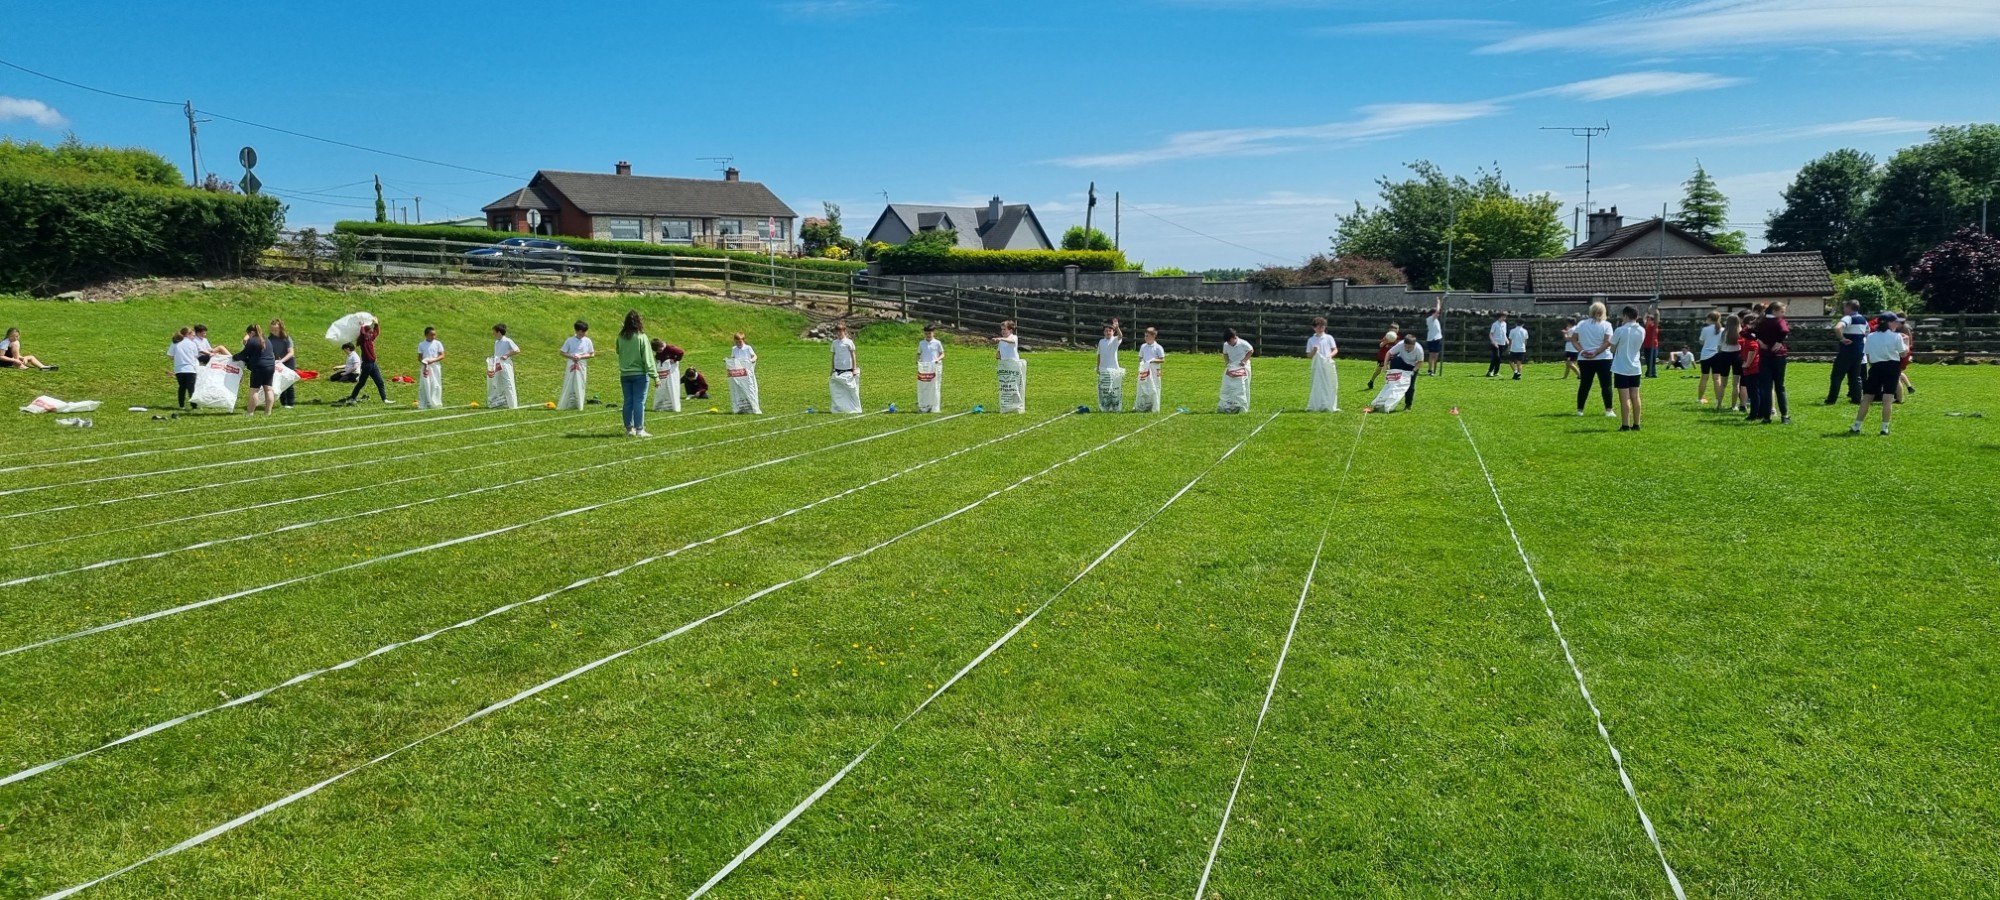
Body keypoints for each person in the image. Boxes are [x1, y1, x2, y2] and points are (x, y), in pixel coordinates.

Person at [1853, 313, 1904, 435]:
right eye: (1895, 322)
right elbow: (1902, 354)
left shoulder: (1871, 336)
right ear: (1888, 323)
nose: (1897, 324)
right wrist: (1906, 348)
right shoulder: (1896, 336)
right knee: (1888, 398)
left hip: (1876, 367)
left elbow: (1868, 355)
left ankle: (1856, 426)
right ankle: (1884, 428)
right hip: (1892, 367)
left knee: (1867, 397)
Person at [1570, 301, 1615, 418]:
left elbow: (1573, 339)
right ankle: (1609, 410)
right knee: (1606, 385)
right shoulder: (1607, 325)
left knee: (1584, 384)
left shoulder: (1581, 324)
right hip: (1603, 358)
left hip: (1585, 359)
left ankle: (1580, 410)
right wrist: (1596, 352)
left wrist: (1582, 351)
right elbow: (1607, 342)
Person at [1749, 302, 1791, 423]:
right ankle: (1784, 416)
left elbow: (1747, 331)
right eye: (1782, 311)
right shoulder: (1779, 321)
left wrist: (1758, 340)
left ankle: (1766, 417)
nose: (1783, 314)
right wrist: (1779, 341)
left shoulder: (1761, 321)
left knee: (1766, 388)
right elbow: (1784, 330)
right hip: (1778, 356)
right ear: (1774, 311)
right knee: (1780, 387)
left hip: (1764, 356)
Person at [616, 310, 656, 436]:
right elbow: (648, 358)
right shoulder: (641, 337)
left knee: (628, 402)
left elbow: (618, 351)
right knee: (639, 402)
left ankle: (629, 429)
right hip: (640, 374)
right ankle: (639, 429)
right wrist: (655, 376)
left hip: (625, 374)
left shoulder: (620, 337)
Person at [1826, 299, 1869, 405]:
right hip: (1859, 350)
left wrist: (1842, 338)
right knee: (1855, 376)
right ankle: (1856, 398)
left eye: (1845, 307)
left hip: (1847, 350)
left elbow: (1838, 328)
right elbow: (1867, 332)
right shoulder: (1863, 319)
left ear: (1849, 307)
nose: (1844, 309)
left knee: (1837, 375)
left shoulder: (1848, 317)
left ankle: (1831, 399)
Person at [1609, 306, 1646, 431]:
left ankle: (1625, 425)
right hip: (1635, 367)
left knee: (1624, 398)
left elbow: (1612, 349)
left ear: (1625, 316)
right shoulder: (1641, 330)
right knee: (1635, 396)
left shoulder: (1620, 330)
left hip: (1621, 368)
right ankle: (1637, 424)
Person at [233, 323, 276, 415]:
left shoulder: (252, 341)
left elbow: (244, 354)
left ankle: (250, 412)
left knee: (254, 390)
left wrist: (234, 357)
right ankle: (268, 412)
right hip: (271, 366)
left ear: (252, 333)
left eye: (248, 334)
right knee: (268, 389)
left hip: (259, 368)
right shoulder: (266, 340)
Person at [345, 320, 389, 404]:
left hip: (373, 364)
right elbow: (362, 334)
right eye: (369, 332)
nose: (371, 334)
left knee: (380, 382)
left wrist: (376, 323)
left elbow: (376, 332)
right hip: (367, 365)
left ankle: (384, 399)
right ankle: (352, 397)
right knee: (361, 383)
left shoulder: (370, 338)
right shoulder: (363, 340)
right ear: (366, 332)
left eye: (371, 333)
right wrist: (362, 326)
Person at [1305, 316, 1340, 412]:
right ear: (1314, 328)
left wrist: (1330, 356)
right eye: (1319, 327)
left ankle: (1329, 403)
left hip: (1327, 364)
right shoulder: (1311, 340)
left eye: (1323, 327)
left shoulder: (1329, 338)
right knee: (1318, 384)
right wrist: (1314, 351)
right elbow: (1308, 355)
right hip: (1317, 366)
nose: (1321, 329)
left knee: (1330, 383)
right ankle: (1318, 403)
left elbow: (1335, 349)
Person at [557, 320, 594, 410]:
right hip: (571, 363)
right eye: (582, 331)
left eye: (585, 332)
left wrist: (581, 356)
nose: (584, 333)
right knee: (569, 382)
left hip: (582, 364)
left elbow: (591, 354)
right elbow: (562, 352)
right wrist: (572, 356)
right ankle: (566, 403)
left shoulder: (587, 341)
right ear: (577, 331)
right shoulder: (570, 340)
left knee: (581, 383)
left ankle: (579, 403)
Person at [1218, 327, 1254, 413]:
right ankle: (1229, 406)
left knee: (1242, 386)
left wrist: (1244, 360)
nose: (1229, 343)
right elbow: (1225, 354)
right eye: (1227, 342)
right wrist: (1227, 362)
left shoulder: (1243, 343)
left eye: (1230, 341)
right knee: (1229, 386)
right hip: (1232, 366)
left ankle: (1242, 406)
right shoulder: (1226, 344)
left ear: (1234, 337)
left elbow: (1251, 350)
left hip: (1243, 366)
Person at [1739, 314, 1767, 423]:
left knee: (1754, 392)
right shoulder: (1749, 338)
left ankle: (1754, 414)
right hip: (1753, 368)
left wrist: (1747, 363)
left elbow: (1752, 350)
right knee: (1756, 392)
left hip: (1753, 368)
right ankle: (1760, 412)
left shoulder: (1751, 340)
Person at [829, 322, 863, 414]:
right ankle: (839, 407)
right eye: (837, 331)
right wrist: (832, 369)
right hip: (838, 369)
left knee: (851, 389)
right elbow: (833, 356)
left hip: (848, 370)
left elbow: (853, 355)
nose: (839, 333)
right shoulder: (835, 343)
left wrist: (854, 369)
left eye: (841, 331)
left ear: (844, 331)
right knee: (837, 390)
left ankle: (854, 408)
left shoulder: (849, 342)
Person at [1386, 332, 1425, 410]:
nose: (1407, 349)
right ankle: (1387, 401)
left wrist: (1413, 371)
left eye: (1409, 347)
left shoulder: (1419, 349)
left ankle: (1408, 405)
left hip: (1412, 366)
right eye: (1405, 346)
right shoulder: (1400, 344)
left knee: (1410, 386)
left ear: (1414, 345)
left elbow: (1420, 362)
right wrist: (1385, 365)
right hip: (1401, 362)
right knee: (1392, 381)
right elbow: (1389, 353)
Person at [1714, 312, 1744, 412]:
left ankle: (1719, 405)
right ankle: (1734, 406)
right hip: (1737, 356)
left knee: (1723, 384)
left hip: (1725, 356)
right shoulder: (1741, 332)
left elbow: (1719, 347)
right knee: (1736, 384)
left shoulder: (1723, 332)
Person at [264, 319, 297, 408]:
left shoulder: (286, 338)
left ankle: (290, 403)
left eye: (276, 329)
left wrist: (281, 361)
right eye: (272, 330)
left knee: (289, 382)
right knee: (280, 382)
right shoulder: (269, 339)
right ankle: (283, 403)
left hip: (288, 361)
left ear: (280, 329)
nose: (274, 331)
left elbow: (291, 353)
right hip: (277, 362)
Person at [727, 331, 761, 414]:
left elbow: (754, 356)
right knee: (738, 389)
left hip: (747, 373)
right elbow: (733, 358)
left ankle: (754, 408)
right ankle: (741, 407)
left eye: (740, 342)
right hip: (739, 373)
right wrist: (728, 361)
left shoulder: (748, 348)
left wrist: (752, 360)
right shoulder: (734, 349)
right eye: (736, 342)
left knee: (750, 389)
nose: (738, 344)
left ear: (743, 340)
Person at [995, 319, 1026, 413]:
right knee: (1006, 386)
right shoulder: (1001, 341)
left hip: (1014, 365)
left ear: (1010, 330)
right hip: (1005, 366)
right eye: (1002, 329)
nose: (1003, 331)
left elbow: (1011, 341)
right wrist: (998, 356)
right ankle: (1006, 406)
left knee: (1015, 386)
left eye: (1005, 329)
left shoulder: (1014, 337)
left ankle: (1017, 407)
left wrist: (1001, 339)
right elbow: (998, 353)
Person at [488, 323, 521, 409]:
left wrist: (507, 355)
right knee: (498, 383)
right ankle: (501, 403)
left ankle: (512, 404)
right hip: (497, 364)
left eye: (494, 332)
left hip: (505, 364)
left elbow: (517, 350)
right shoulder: (496, 342)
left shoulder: (507, 341)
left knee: (508, 383)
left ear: (499, 332)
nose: (493, 334)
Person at [1095, 318, 1124, 412]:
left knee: (1114, 389)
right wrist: (1098, 367)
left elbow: (1120, 336)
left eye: (1110, 331)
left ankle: (1115, 406)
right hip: (1103, 368)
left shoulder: (1115, 340)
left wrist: (1117, 327)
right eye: (1106, 331)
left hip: (1114, 369)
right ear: (1104, 332)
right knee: (1105, 389)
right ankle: (1105, 407)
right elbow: (1099, 355)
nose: (1108, 332)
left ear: (1113, 332)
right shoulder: (1101, 342)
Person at [1696, 310, 1725, 405]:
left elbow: (1701, 341)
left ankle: (1700, 399)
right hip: (1717, 355)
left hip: (1705, 355)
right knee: (1717, 378)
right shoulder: (1723, 330)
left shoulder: (1705, 329)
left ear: (1709, 319)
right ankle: (1718, 400)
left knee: (1704, 378)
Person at [1134, 326, 1165, 413]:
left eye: (1147, 336)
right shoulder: (1143, 346)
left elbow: (1162, 359)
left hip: (1155, 371)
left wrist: (1152, 360)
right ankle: (1142, 405)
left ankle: (1155, 406)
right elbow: (1140, 358)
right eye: (1145, 336)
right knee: (1143, 387)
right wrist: (1143, 363)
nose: (1145, 337)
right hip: (1145, 370)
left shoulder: (1158, 347)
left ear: (1153, 336)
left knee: (1155, 387)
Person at [167, 327, 201, 408]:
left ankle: (181, 405)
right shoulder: (193, 344)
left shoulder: (175, 343)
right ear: (188, 334)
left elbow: (170, 355)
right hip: (191, 369)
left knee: (182, 387)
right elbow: (195, 356)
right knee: (191, 388)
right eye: (193, 335)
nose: (194, 337)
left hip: (179, 369)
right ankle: (194, 406)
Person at [916, 323, 945, 413]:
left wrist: (937, 359)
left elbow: (942, 354)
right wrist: (918, 360)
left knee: (935, 386)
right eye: (926, 333)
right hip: (925, 368)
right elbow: (919, 354)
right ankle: (924, 405)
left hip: (934, 367)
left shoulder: (937, 343)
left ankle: (934, 406)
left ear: (933, 333)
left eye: (929, 333)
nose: (928, 335)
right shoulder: (922, 343)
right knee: (924, 386)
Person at [417, 326, 446, 410]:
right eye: (431, 335)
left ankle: (436, 402)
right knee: (425, 384)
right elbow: (420, 357)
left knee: (436, 384)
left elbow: (442, 355)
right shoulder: (421, 344)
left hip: (435, 366)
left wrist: (433, 360)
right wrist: (424, 362)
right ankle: (425, 402)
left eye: (434, 334)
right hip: (425, 367)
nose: (434, 336)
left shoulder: (438, 343)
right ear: (426, 335)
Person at [652, 339, 684, 413]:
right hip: (663, 370)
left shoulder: (670, 348)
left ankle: (673, 405)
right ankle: (661, 405)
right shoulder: (658, 351)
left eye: (660, 350)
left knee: (672, 386)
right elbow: (658, 356)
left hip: (671, 371)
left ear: (662, 346)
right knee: (662, 388)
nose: (659, 351)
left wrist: (675, 360)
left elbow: (680, 352)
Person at [1896, 316, 1916, 401]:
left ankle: (1903, 393)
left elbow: (1909, 341)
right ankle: (1909, 387)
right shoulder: (1900, 329)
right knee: (1899, 372)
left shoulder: (1905, 329)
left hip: (1903, 352)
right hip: (1901, 352)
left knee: (1898, 372)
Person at [1423, 297, 1444, 376]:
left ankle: (1433, 370)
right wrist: (1438, 302)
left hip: (1437, 338)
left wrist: (1441, 302)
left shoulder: (1435, 320)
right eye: (1436, 313)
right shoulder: (1430, 319)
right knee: (1432, 355)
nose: (1438, 314)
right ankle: (1430, 370)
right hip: (1432, 339)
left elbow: (1439, 310)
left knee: (1436, 355)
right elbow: (1438, 310)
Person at [1486, 312, 1509, 377]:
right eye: (1503, 317)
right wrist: (1493, 342)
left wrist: (1506, 340)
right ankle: (1490, 371)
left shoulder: (1504, 324)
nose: (1504, 318)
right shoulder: (1495, 324)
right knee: (1496, 357)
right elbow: (1490, 334)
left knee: (1499, 358)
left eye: (1505, 317)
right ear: (1500, 317)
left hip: (1502, 343)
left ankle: (1496, 372)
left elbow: (1504, 333)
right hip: (1495, 343)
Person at [1641, 313, 1662, 378]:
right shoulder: (1646, 326)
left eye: (1649, 319)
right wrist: (1647, 313)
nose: (1647, 320)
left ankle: (1652, 372)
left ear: (1652, 320)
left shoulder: (1653, 326)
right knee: (1648, 360)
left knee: (1652, 359)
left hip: (1653, 345)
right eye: (1647, 319)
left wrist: (1657, 314)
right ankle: (1650, 372)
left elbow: (1657, 320)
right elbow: (1644, 319)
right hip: (1646, 345)